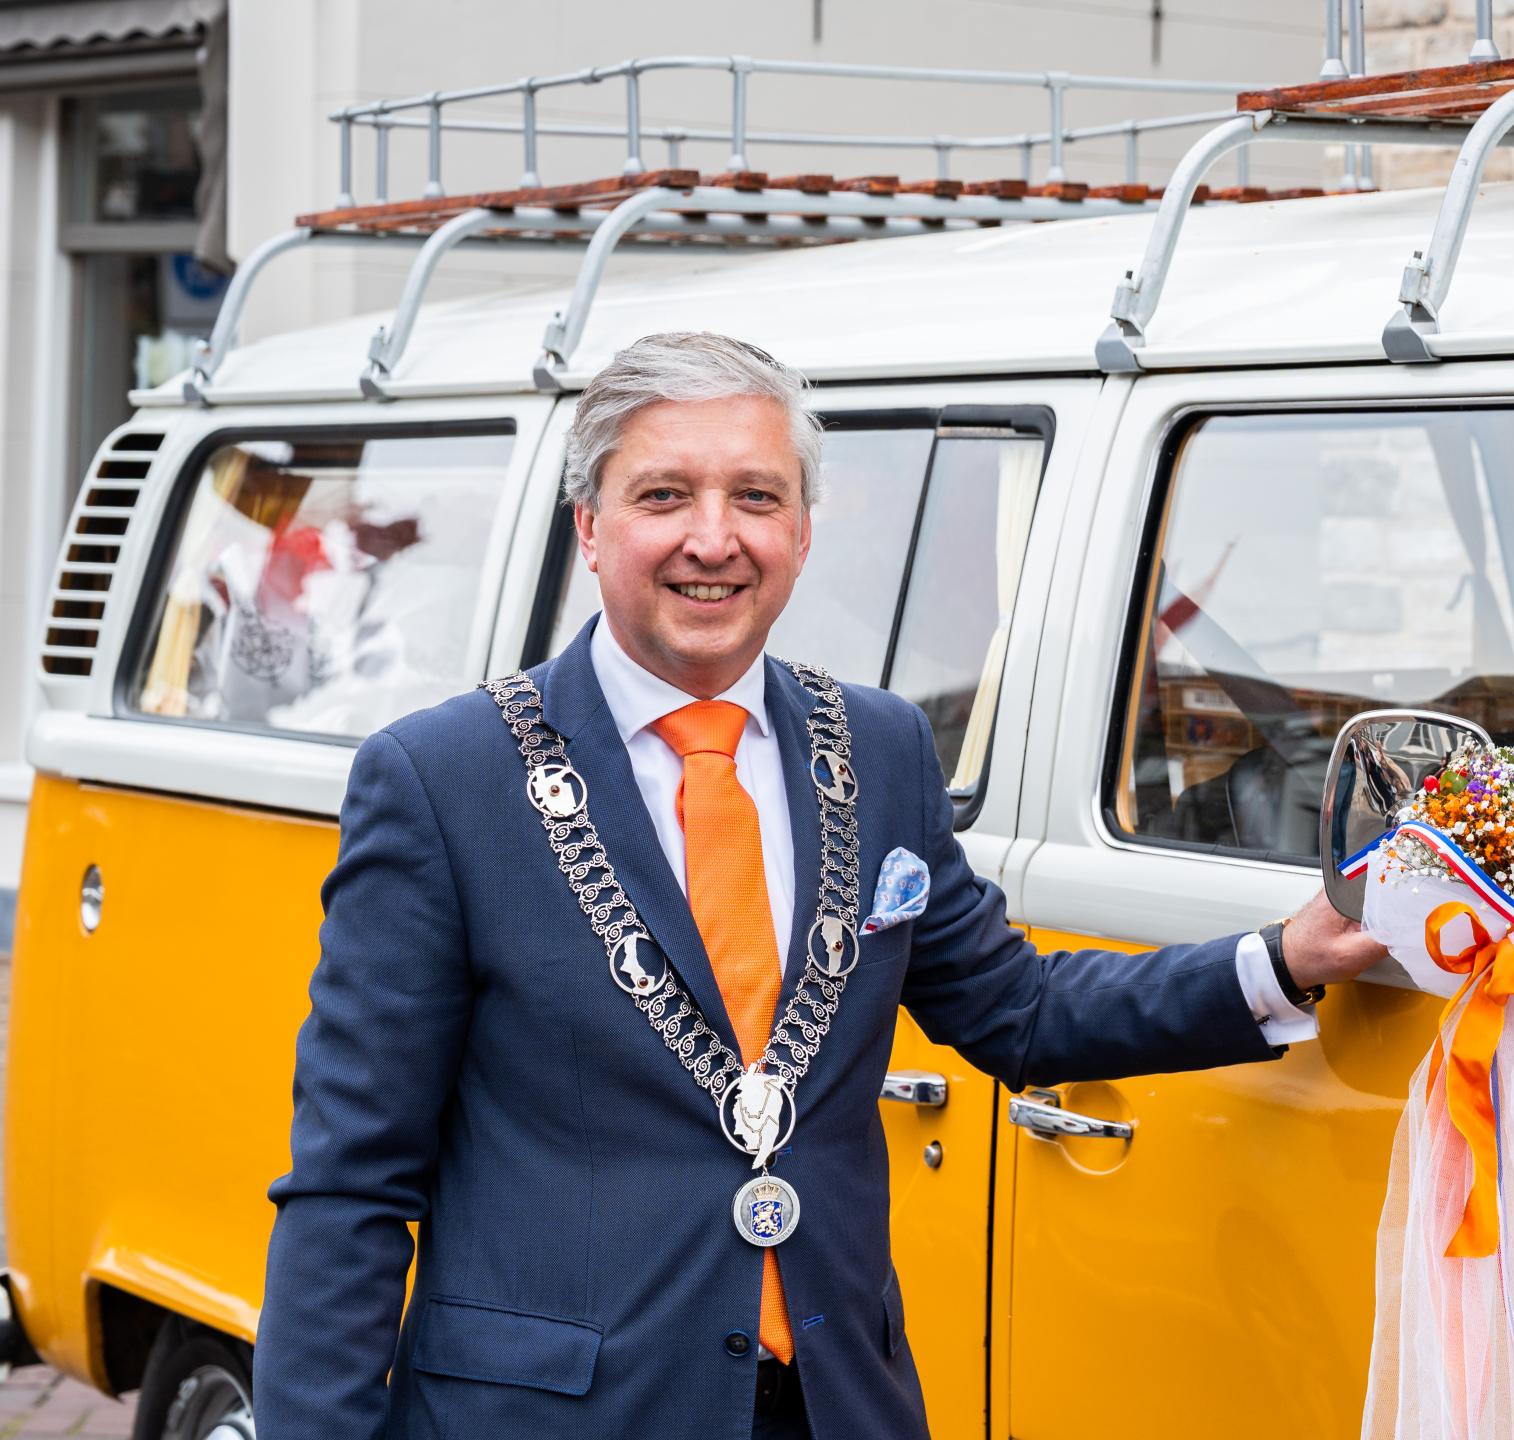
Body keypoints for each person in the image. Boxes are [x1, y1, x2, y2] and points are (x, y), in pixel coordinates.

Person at [254, 332, 1386, 1438]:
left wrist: (1283, 959)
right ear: (590, 527)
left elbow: (1019, 1010)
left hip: (837, 1401)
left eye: (756, 497)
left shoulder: (879, 748)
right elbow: (353, 1186)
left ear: (801, 530)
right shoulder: (442, 779)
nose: (714, 539)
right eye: (663, 496)